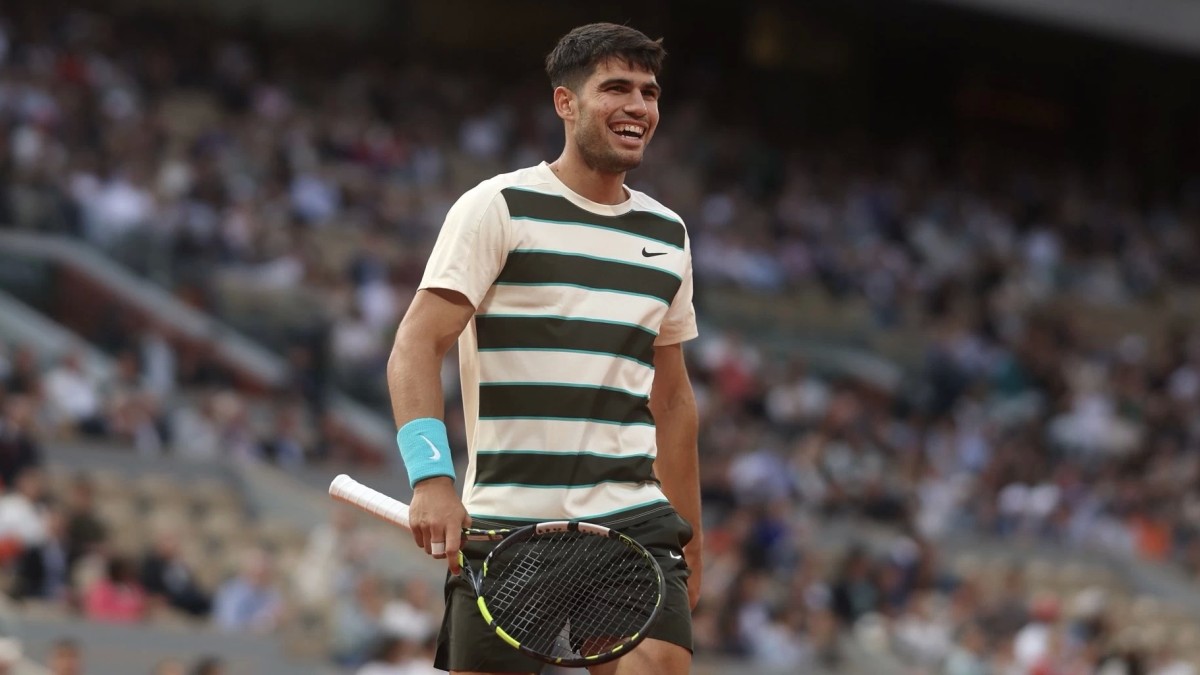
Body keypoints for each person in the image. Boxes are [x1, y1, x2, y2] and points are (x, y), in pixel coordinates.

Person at [386, 22, 701, 675]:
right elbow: (416, 344)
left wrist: (689, 537)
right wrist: (431, 479)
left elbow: (671, 398)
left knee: (660, 666)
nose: (638, 106)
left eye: (649, 92)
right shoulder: (497, 207)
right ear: (566, 102)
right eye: (616, 88)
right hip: (507, 526)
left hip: (632, 522)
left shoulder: (668, 234)